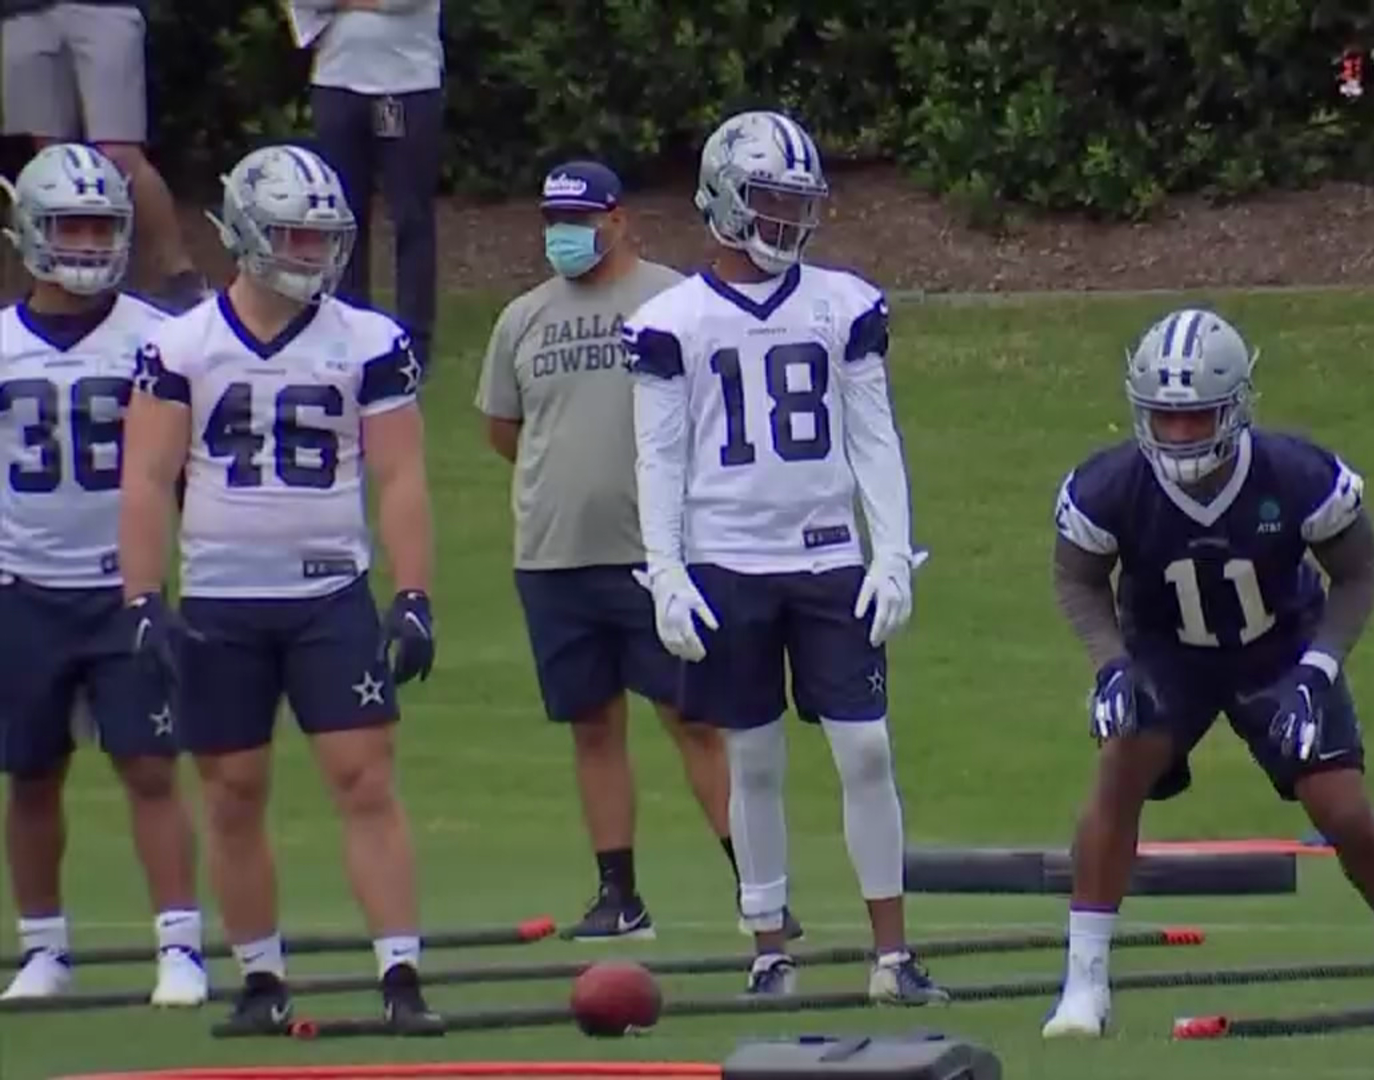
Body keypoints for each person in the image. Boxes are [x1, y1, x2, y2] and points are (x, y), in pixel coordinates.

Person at [1041, 307, 1374, 1038]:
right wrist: (1110, 667)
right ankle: (1085, 984)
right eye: (1166, 418)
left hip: (1279, 649)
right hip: (1168, 653)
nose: (1182, 434)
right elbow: (1077, 578)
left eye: (1199, 417)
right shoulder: (1110, 487)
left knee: (1343, 811)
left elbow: (1358, 572)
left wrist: (1318, 669)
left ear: (1236, 408)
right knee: (1118, 769)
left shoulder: (1294, 474)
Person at [116, 143, 442, 1036]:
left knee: (364, 777)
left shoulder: (367, 340)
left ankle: (401, 972)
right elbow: (144, 477)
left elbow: (402, 478)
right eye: (295, 236)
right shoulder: (182, 344)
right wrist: (143, 599)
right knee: (231, 789)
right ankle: (261, 979)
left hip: (329, 589)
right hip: (222, 596)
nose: (314, 254)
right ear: (252, 234)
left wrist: (413, 594)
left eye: (321, 237)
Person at [625, 109, 941, 1002]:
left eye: (797, 202)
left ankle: (892, 955)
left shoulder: (843, 302)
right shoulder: (671, 320)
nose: (786, 220)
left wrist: (889, 553)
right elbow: (658, 452)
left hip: (829, 555)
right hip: (728, 557)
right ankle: (769, 950)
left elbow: (875, 436)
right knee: (753, 757)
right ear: (723, 195)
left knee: (867, 748)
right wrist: (668, 568)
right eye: (769, 199)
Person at [475, 159, 802, 942]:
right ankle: (618, 894)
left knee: (693, 720)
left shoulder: (671, 300)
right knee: (592, 724)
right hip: (554, 555)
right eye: (555, 220)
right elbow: (502, 428)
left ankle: (759, 889)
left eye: (582, 220)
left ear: (619, 220)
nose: (567, 235)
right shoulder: (523, 317)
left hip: (656, 555)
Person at [0, 143, 203, 1007]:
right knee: (32, 770)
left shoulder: (160, 338)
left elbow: (191, 470)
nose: (86, 242)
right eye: (70, 225)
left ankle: (180, 946)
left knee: (150, 765)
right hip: (21, 584)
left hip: (127, 587)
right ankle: (43, 948)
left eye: (100, 225)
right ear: (30, 233)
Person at [0, 0, 204, 310]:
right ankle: (63, 281)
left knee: (119, 152)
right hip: (22, 12)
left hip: (103, 7)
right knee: (50, 163)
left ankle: (180, 277)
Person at [290, 0, 443, 371]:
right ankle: (346, 324)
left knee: (411, 216)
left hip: (408, 84)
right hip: (336, 82)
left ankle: (414, 338)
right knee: (342, 214)